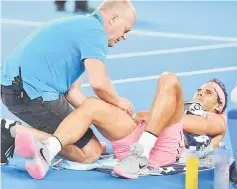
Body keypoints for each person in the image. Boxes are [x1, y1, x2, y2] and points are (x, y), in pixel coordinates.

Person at [3, 72, 227, 179]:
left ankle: (140, 154)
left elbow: (192, 124)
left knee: (169, 78)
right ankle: (45, 149)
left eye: (208, 93)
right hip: (136, 139)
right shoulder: (178, 105)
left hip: (167, 145)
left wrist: (150, 115)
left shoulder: (217, 120)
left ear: (219, 106)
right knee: (91, 106)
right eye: (200, 89)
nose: (199, 93)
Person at [0, 0, 136, 165]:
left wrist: (96, 117)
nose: (125, 36)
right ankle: (10, 131)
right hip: (31, 93)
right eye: (125, 29)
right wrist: (118, 102)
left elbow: (72, 92)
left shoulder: (82, 26)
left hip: (13, 88)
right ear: (114, 18)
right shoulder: (96, 32)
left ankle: (19, 134)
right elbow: (99, 83)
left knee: (81, 139)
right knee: (90, 152)